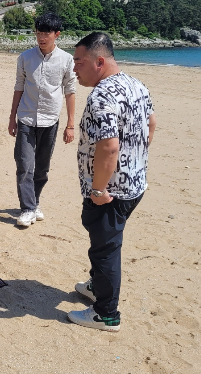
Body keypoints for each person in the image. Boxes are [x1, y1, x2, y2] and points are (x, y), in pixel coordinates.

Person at [67, 32, 157, 332]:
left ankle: (106, 313)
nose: (75, 69)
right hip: (134, 184)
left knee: (105, 249)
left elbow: (108, 146)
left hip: (111, 191)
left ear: (99, 61)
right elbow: (151, 124)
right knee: (103, 241)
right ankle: (96, 287)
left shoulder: (102, 95)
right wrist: (137, 160)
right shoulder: (137, 84)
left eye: (79, 62)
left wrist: (98, 188)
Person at [8, 12, 77, 227]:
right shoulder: (25, 57)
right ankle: (28, 208)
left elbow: (70, 91)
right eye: (38, 33)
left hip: (51, 120)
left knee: (42, 168)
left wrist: (70, 124)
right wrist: (12, 118)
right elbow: (19, 87)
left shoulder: (66, 60)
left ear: (57, 34)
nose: (41, 37)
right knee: (24, 164)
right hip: (26, 118)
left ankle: (35, 202)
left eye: (46, 33)